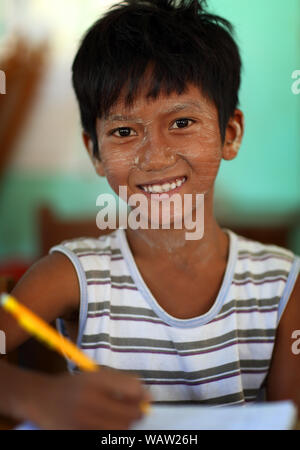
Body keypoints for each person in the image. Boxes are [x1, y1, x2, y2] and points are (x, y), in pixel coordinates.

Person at [0, 0, 299, 430]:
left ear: (229, 134)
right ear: (95, 153)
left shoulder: (282, 285)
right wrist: (38, 396)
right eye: (124, 132)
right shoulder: (73, 274)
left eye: (181, 123)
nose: (154, 157)